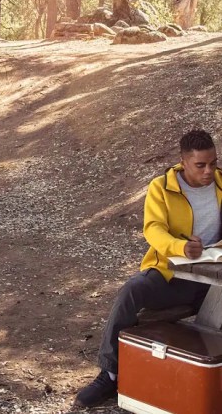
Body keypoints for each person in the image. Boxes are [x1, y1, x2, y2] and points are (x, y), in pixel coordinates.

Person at [75, 129, 220, 407]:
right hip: (172, 275)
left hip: (214, 279)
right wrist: (180, 247)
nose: (208, 171)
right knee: (132, 291)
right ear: (183, 161)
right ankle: (109, 374)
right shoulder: (162, 187)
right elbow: (153, 229)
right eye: (200, 165)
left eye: (213, 163)